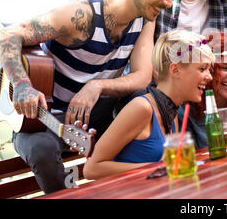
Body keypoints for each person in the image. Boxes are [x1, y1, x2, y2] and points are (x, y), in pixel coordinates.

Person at [0, 0, 181, 193]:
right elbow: (7, 36)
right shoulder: (81, 14)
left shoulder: (145, 19)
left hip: (95, 117)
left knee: (144, 99)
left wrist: (97, 85)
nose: (168, 3)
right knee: (40, 150)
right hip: (41, 120)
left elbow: (142, 76)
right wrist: (21, 85)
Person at [83, 30, 214, 179]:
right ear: (176, 70)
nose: (209, 77)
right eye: (202, 69)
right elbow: (92, 168)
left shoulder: (171, 112)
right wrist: (156, 167)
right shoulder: (142, 108)